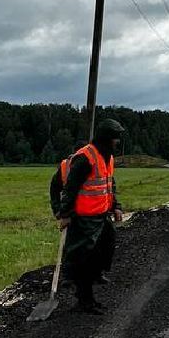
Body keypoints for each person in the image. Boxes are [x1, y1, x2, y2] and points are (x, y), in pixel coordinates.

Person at [51, 117, 126, 313]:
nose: (117, 142)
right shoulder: (85, 158)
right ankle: (84, 299)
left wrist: (116, 206)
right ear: (106, 138)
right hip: (84, 219)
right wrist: (64, 214)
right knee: (85, 259)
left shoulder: (107, 158)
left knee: (106, 247)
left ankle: (92, 280)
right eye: (115, 138)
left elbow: (108, 186)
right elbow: (69, 189)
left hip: (101, 216)